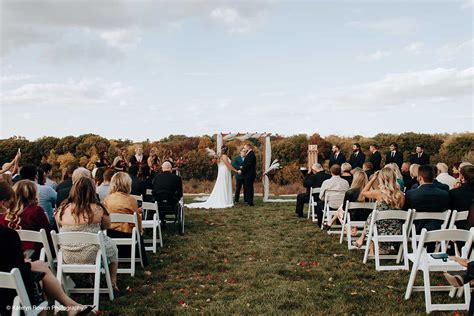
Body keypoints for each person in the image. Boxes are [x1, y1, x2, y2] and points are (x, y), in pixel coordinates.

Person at [0, 225, 92, 316]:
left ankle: (72, 306)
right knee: (38, 280)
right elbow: (48, 232)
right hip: (11, 297)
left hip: (6, 287)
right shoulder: (8, 235)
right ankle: (71, 306)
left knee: (39, 266)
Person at [55, 177, 119, 295]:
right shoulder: (98, 209)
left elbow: (58, 223)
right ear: (92, 190)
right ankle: (113, 281)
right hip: (92, 255)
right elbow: (106, 226)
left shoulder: (63, 209)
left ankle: (87, 279)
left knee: (87, 242)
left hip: (67, 255)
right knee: (113, 249)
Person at [352, 167, 405, 254]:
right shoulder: (401, 195)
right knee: (373, 217)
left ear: (381, 179)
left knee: (372, 216)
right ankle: (368, 243)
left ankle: (362, 239)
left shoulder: (379, 193)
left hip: (379, 230)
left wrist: (372, 179)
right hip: (396, 230)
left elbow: (363, 192)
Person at [104, 172, 149, 267]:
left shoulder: (107, 199)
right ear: (127, 184)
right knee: (138, 233)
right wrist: (141, 230)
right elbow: (137, 221)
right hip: (127, 234)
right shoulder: (131, 200)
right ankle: (144, 262)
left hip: (110, 233)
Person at [0, 180, 52, 260]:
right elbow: (48, 235)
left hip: (10, 256)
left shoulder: (5, 214)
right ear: (33, 194)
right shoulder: (36, 211)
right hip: (36, 254)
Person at [404, 165, 450, 233]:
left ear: (419, 178)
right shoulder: (445, 194)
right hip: (439, 230)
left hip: (416, 231)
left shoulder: (410, 194)